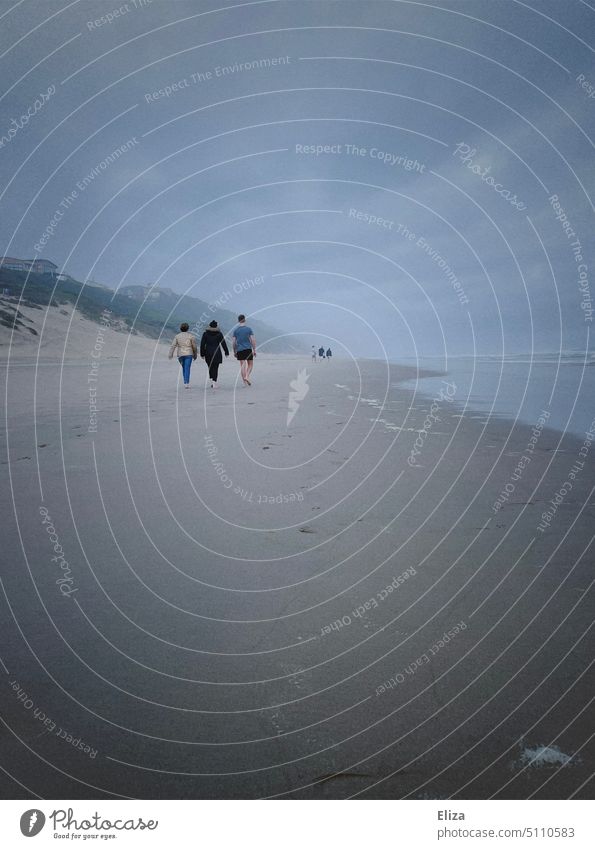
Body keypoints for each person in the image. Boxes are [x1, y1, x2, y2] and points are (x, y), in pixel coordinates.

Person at [200, 320, 229, 388]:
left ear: (209, 326)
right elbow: (223, 343)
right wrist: (226, 352)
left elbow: (202, 344)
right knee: (215, 367)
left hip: (208, 352)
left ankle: (212, 381)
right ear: (216, 326)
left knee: (210, 367)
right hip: (217, 353)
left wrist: (202, 354)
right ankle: (214, 382)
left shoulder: (205, 334)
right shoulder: (219, 333)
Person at [168, 322, 197, 388]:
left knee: (184, 368)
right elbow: (194, 346)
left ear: (180, 328)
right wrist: (195, 355)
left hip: (180, 355)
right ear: (187, 328)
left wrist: (170, 354)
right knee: (187, 368)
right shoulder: (191, 336)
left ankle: (185, 382)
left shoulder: (177, 336)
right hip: (189, 354)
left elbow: (173, 346)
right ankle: (186, 383)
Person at [232, 314, 256, 385]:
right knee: (250, 364)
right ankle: (247, 376)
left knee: (243, 365)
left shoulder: (236, 331)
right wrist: (254, 349)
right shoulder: (248, 329)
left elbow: (233, 342)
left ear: (238, 321)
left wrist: (234, 351)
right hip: (248, 349)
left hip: (239, 349)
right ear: (245, 320)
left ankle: (244, 382)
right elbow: (252, 340)